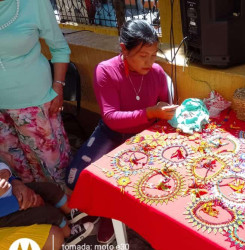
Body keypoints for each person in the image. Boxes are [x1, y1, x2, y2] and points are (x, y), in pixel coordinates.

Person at [66, 19, 178, 244]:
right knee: (76, 177)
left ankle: (114, 214)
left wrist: (165, 114)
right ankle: (99, 210)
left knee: (133, 179)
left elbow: (164, 112)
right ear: (124, 50)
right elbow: (111, 118)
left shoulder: (156, 73)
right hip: (112, 132)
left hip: (144, 135)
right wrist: (150, 112)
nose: (149, 62)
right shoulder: (106, 71)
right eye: (142, 55)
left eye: (154, 55)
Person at [0, 0, 71, 188]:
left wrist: (58, 85)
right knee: (14, 168)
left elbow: (59, 47)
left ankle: (69, 209)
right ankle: (37, 212)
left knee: (51, 168)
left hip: (34, 103)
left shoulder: (33, 3)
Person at [0, 161, 93, 248]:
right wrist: (24, 202)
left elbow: (2, 166)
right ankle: (69, 234)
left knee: (49, 189)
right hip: (6, 212)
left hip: (12, 191)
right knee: (46, 213)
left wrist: (7, 173)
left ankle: (72, 213)